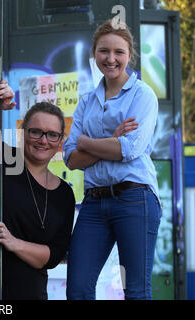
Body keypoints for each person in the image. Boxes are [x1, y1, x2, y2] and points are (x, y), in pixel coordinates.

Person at [63, 19, 162, 300]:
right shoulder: (86, 101)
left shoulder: (143, 96)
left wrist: (87, 142)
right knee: (78, 288)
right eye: (104, 51)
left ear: (130, 55)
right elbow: (71, 158)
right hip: (94, 203)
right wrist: (111, 139)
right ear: (94, 53)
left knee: (136, 291)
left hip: (135, 198)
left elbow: (129, 150)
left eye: (119, 52)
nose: (111, 58)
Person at [0, 83, 76, 300]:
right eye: (36, 132)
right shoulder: (1, 158)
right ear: (22, 132)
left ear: (60, 142)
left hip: (31, 294)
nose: (43, 141)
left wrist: (14, 242)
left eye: (52, 135)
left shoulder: (64, 194)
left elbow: (54, 255)